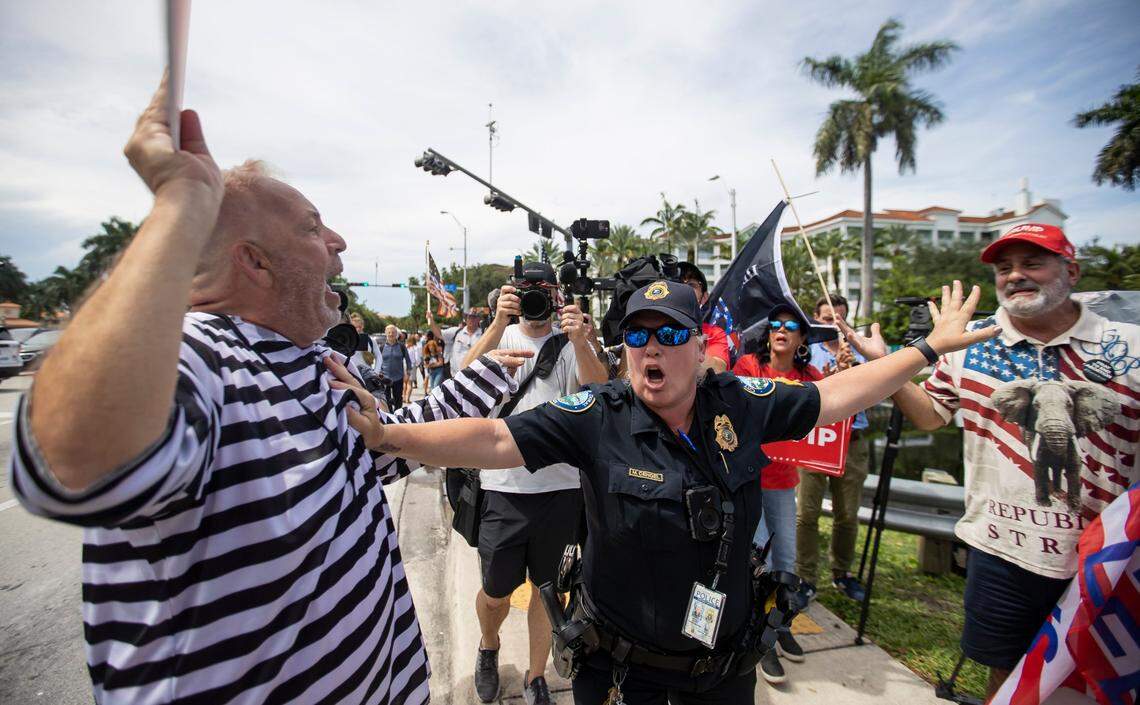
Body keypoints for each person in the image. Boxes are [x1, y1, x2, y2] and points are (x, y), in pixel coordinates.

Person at [8, 78, 533, 705]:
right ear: (254, 263)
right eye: (313, 228)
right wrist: (178, 211)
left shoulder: (310, 362)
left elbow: (383, 449)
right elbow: (69, 459)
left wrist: (491, 370)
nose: (338, 242)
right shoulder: (202, 354)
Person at [329, 277, 996, 704]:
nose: (652, 348)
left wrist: (925, 351)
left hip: (722, 673)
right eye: (638, 336)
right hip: (618, 676)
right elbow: (495, 438)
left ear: (699, 347)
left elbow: (833, 397)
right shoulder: (597, 415)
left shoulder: (741, 400)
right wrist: (392, 438)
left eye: (670, 333)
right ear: (623, 351)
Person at [836, 223, 1140, 698]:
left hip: (1105, 557)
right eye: (1005, 268)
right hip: (1001, 549)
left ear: (1071, 270)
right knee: (1008, 675)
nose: (1016, 275)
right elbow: (933, 416)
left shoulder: (1129, 346)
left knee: (1100, 678)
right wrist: (885, 367)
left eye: (1032, 263)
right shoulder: (968, 342)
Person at [458, 266, 610, 705]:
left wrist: (581, 340)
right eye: (527, 293)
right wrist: (497, 323)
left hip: (560, 491)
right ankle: (489, 647)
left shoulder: (570, 343)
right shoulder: (500, 337)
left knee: (549, 593)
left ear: (558, 295)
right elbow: (461, 384)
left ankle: (536, 674)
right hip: (504, 489)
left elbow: (601, 393)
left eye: (544, 293)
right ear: (512, 295)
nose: (537, 303)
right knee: (495, 592)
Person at [731, 302, 822, 684]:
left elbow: (833, 408)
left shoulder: (812, 375)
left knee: (786, 560)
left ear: (802, 338)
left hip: (784, 482)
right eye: (775, 325)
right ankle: (760, 642)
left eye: (790, 326)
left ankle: (780, 625)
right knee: (761, 563)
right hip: (750, 481)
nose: (780, 330)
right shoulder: (749, 367)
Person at [797, 293, 870, 605]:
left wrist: (852, 372)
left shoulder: (861, 353)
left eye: (839, 319)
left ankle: (842, 573)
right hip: (816, 440)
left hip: (852, 440)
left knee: (847, 515)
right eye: (827, 320)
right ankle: (805, 577)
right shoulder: (807, 353)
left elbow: (872, 395)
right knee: (807, 513)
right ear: (816, 319)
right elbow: (802, 392)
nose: (833, 325)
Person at [678, 261, 730, 373]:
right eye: (677, 284)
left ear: (704, 297)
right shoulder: (653, 325)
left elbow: (718, 369)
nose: (683, 290)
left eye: (691, 285)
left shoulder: (715, 333)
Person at [430, 306, 484, 378]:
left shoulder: (484, 334)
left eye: (474, 317)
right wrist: (431, 320)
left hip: (476, 377)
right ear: (466, 319)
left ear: (478, 319)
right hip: (456, 377)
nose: (471, 319)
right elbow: (438, 334)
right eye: (469, 317)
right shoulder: (456, 332)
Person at [378, 323, 412, 411]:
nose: (391, 334)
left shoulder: (401, 346)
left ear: (396, 333)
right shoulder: (381, 347)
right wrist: (377, 373)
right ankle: (390, 415)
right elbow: (378, 362)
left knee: (398, 399)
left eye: (393, 332)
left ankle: (398, 414)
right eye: (389, 332)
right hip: (385, 378)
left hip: (398, 378)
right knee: (386, 399)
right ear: (386, 333)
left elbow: (408, 360)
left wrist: (408, 373)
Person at [346, 311, 380, 376]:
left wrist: (376, 372)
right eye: (355, 327)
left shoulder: (370, 340)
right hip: (351, 375)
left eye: (360, 327)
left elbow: (379, 356)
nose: (358, 329)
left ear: (363, 326)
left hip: (367, 375)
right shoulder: (346, 340)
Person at [404, 332, 422, 404]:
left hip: (404, 365)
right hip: (412, 366)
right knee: (409, 383)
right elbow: (417, 359)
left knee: (404, 383)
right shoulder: (415, 348)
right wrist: (418, 364)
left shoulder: (405, 347)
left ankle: (403, 396)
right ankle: (407, 398)